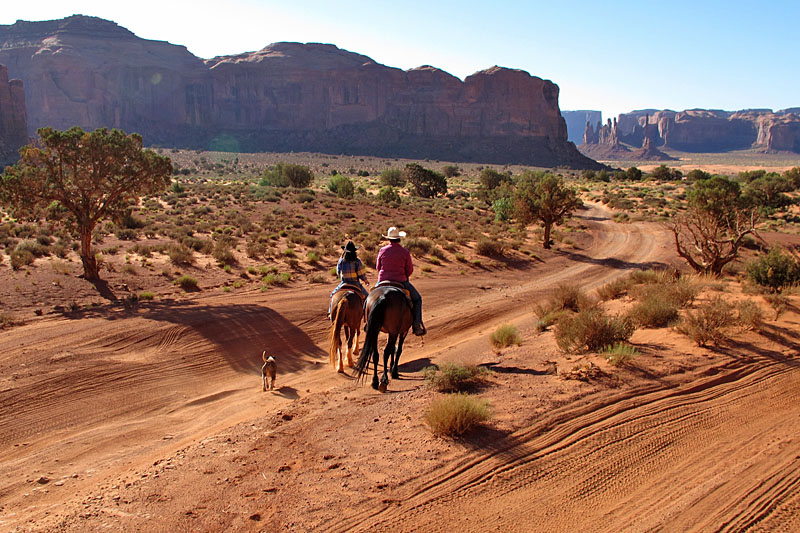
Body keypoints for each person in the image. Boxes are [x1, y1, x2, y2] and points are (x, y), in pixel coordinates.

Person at [376, 226, 426, 336]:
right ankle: (416, 325)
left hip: (383, 280)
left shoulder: (382, 250)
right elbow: (409, 270)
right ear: (399, 239)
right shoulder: (405, 252)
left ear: (388, 239)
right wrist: (403, 275)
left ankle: (369, 320)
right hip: (401, 281)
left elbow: (378, 267)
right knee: (417, 299)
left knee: (371, 296)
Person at [328, 240, 369, 318]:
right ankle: (367, 316)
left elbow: (338, 272)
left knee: (332, 295)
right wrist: (365, 280)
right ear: (354, 252)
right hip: (355, 283)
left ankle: (330, 313)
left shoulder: (341, 260)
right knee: (367, 297)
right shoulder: (357, 261)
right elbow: (361, 273)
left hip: (344, 283)